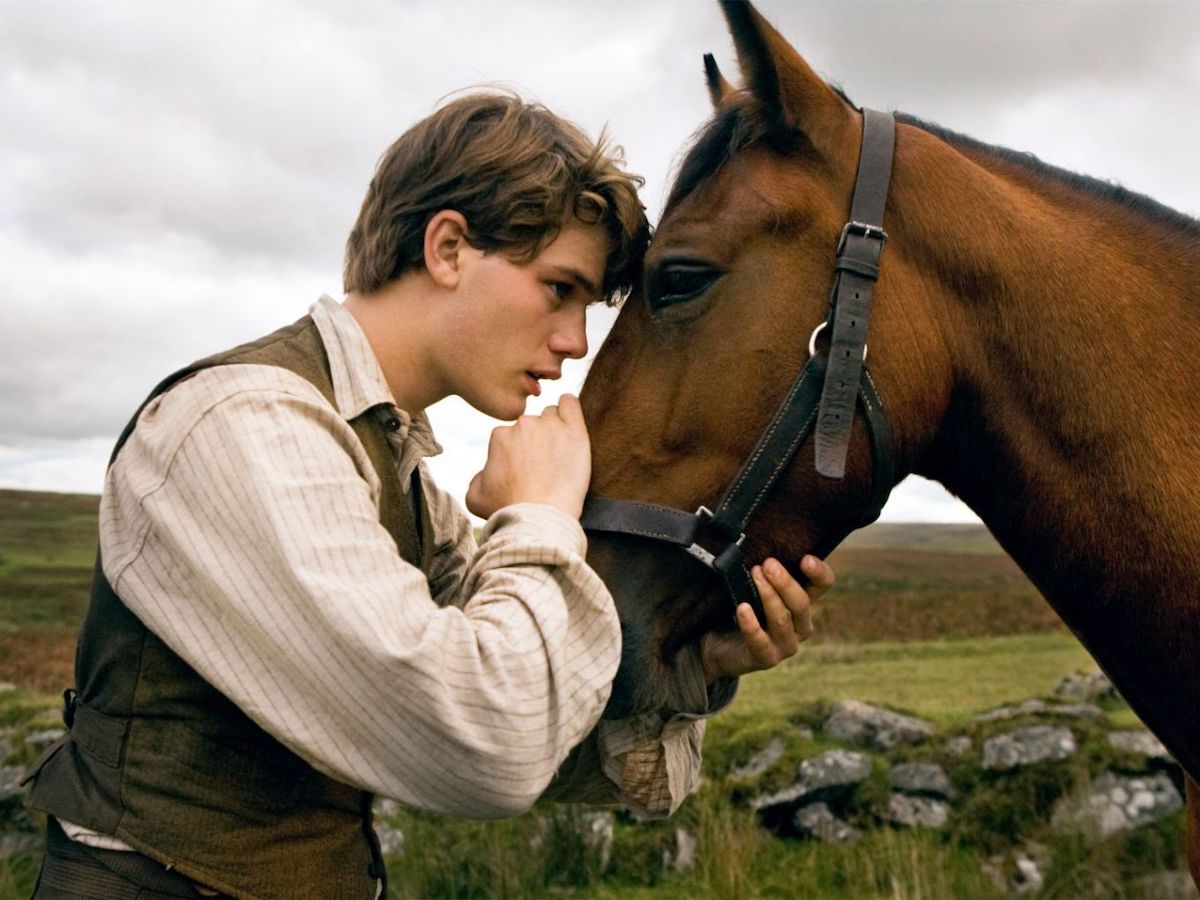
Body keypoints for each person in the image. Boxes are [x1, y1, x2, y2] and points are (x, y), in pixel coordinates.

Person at [24, 91, 833, 899]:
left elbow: (533, 719)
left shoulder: (391, 461)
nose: (575, 342)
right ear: (447, 248)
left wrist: (690, 664)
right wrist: (542, 516)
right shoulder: (242, 426)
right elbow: (488, 747)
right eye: (560, 289)